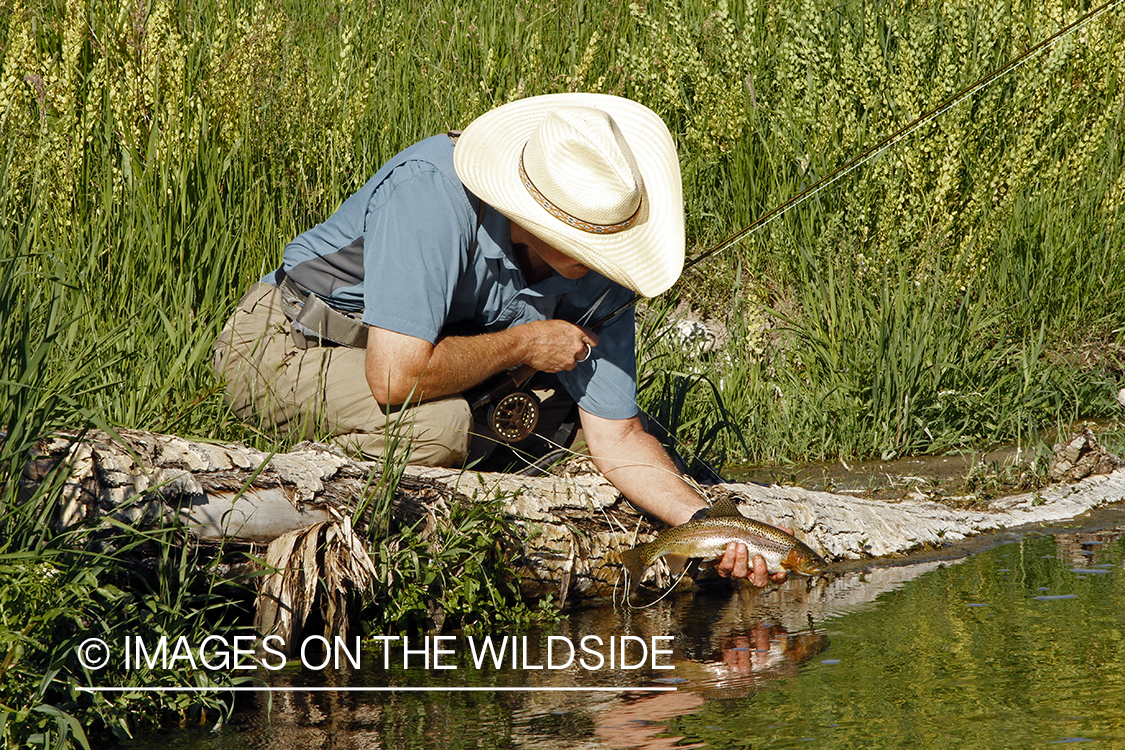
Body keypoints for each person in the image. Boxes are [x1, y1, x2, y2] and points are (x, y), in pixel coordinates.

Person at [213, 93, 784, 586]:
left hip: (403, 364)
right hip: (288, 343)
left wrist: (708, 525)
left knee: (587, 434)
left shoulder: (600, 271)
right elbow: (394, 378)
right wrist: (523, 346)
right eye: (590, 245)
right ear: (537, 217)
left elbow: (620, 436)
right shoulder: (432, 193)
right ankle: (298, 491)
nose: (606, 260)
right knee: (440, 427)